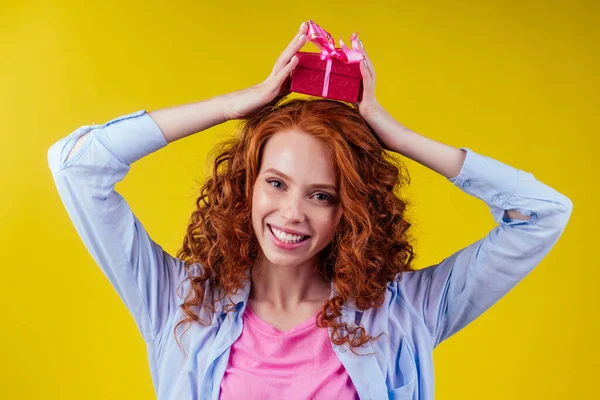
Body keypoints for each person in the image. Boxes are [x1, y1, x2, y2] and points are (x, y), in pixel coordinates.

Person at [48, 21, 573, 400]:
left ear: (350, 210)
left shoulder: (403, 312)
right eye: (276, 183)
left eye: (322, 195)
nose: (292, 212)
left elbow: (542, 212)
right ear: (247, 186)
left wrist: (395, 136)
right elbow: (77, 166)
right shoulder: (178, 304)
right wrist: (236, 105)